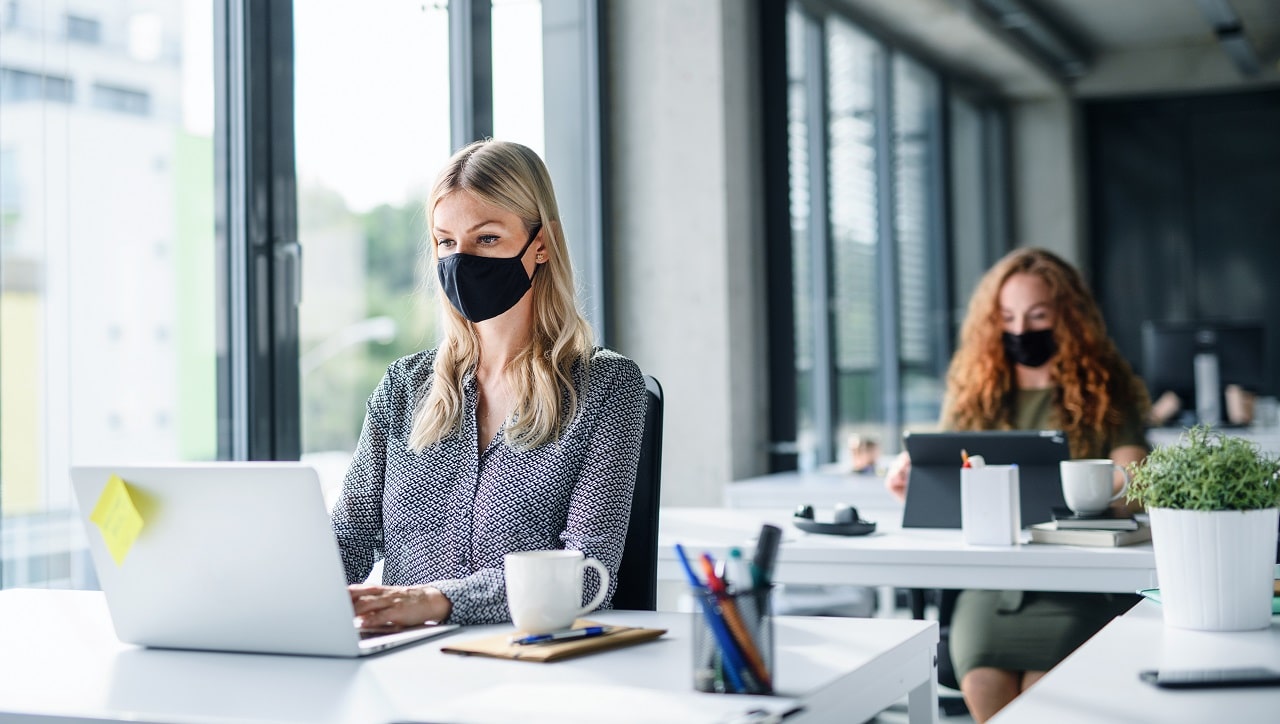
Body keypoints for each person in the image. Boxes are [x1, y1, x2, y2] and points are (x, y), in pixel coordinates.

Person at [330, 139, 647, 629]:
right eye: (447, 242)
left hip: (526, 665)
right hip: (403, 657)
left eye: (488, 239)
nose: (462, 260)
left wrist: (438, 600)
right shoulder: (403, 386)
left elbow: (588, 574)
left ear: (540, 244)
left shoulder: (606, 387)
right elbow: (346, 542)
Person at [884, 247, 1149, 722]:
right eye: (1007, 317)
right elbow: (945, 465)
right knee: (987, 684)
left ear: (1067, 318)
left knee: (1040, 698)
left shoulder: (1107, 387)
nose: (1020, 331)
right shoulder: (975, 389)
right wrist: (913, 476)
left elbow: (1134, 476)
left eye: (1037, 315)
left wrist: (1109, 481)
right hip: (993, 586)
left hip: (1078, 583)